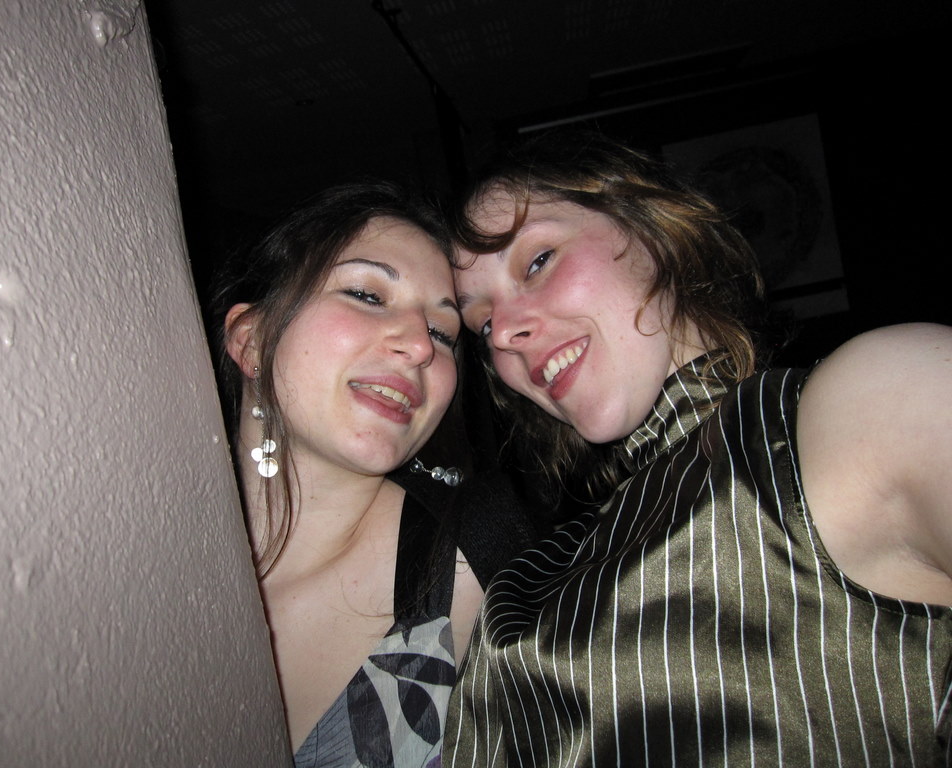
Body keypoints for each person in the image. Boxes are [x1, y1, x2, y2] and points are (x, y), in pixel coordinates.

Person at [441, 130, 952, 766]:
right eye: (483, 323)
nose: (504, 335)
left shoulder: (863, 408)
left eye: (538, 261)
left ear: (650, 228)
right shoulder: (532, 571)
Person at [212, 181, 537, 768]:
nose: (419, 347)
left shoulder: (490, 566)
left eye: (442, 333)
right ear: (251, 340)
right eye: (366, 294)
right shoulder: (127, 567)